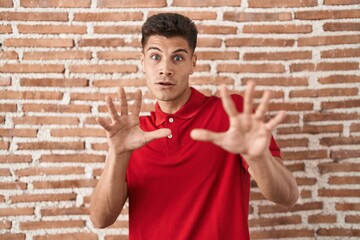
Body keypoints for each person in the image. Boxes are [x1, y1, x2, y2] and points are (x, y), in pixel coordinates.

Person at [90, 12, 299, 239]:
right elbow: (101, 219)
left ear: (193, 63)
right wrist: (118, 153)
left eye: (178, 58)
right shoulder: (133, 135)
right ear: (142, 62)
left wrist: (259, 158)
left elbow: (287, 196)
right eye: (155, 57)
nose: (166, 69)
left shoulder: (230, 114)